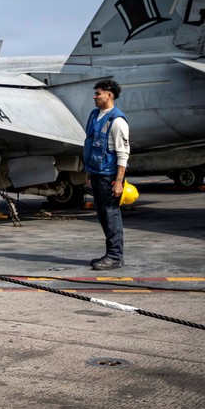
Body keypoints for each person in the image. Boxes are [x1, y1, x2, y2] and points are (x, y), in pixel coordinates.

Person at [83, 79, 130, 271]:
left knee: (111, 215)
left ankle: (115, 256)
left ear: (109, 95)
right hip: (96, 173)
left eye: (98, 93)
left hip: (109, 176)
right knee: (103, 215)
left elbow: (123, 153)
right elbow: (90, 143)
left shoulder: (117, 121)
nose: (94, 97)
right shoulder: (95, 115)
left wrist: (118, 182)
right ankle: (110, 253)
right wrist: (88, 172)